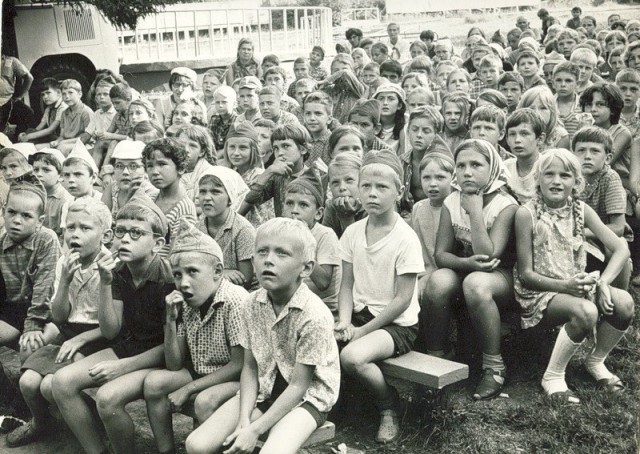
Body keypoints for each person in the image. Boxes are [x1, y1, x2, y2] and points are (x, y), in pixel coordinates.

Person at [185, 217, 340, 454]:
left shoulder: (315, 315)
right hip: (264, 389)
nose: (269, 260)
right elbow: (249, 368)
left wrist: (255, 430)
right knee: (196, 445)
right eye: (262, 252)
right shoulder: (251, 303)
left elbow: (299, 385)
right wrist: (245, 419)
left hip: (306, 398)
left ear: (306, 268)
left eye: (282, 254)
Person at [52, 195, 174, 453]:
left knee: (108, 398)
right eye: (120, 231)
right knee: (61, 382)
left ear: (158, 243)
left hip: (163, 358)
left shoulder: (169, 279)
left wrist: (123, 367)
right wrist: (106, 283)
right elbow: (110, 330)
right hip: (129, 348)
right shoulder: (119, 271)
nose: (125, 239)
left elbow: (173, 350)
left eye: (136, 233)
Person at [513, 149, 633, 402]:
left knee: (624, 303)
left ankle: (595, 361)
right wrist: (565, 286)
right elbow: (525, 275)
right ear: (538, 179)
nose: (557, 181)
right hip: (540, 291)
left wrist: (603, 282)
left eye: (565, 175)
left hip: (574, 287)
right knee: (586, 312)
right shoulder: (527, 213)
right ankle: (553, 376)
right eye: (549, 174)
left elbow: (621, 247)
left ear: (576, 181)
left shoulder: (580, 210)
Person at [5, 200, 112, 447]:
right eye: (70, 227)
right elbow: (60, 317)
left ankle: (94, 428)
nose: (75, 234)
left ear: (104, 235)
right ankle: (42, 424)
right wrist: (64, 281)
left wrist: (80, 338)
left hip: (101, 338)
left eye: (85, 228)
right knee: (28, 382)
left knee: (50, 385)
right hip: (68, 332)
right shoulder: (65, 262)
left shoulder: (110, 266)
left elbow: (115, 326)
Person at [336, 150, 423, 443]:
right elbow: (346, 285)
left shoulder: (405, 238)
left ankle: (389, 406)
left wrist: (360, 332)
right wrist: (345, 322)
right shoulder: (352, 232)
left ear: (399, 192)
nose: (372, 194)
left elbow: (401, 300)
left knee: (352, 357)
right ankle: (330, 406)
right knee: (318, 340)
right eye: (366, 186)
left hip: (396, 325)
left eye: (382, 187)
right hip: (360, 315)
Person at [423, 139, 518, 400]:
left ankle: (493, 366)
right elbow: (441, 255)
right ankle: (436, 356)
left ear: (493, 168)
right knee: (438, 282)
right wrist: (464, 263)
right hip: (468, 268)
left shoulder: (505, 205)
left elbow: (488, 255)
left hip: (502, 277)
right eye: (461, 165)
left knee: (475, 283)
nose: (467, 172)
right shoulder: (452, 200)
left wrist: (475, 212)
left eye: (476, 165)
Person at [143, 219, 248, 454]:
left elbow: (239, 365)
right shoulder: (188, 302)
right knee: (154, 383)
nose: (184, 282)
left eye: (192, 272)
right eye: (178, 275)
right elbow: (174, 363)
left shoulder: (234, 300)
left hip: (239, 379)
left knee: (204, 400)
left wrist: (189, 389)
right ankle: (166, 450)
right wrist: (170, 320)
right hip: (203, 371)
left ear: (217, 272)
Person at [0, 175, 60, 357]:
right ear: (4, 211)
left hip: (45, 312)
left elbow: (45, 286)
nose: (17, 220)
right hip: (13, 311)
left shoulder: (46, 240)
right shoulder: (2, 242)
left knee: (29, 348)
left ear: (39, 221)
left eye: (26, 216)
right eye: (12, 212)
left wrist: (33, 325)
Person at [283, 168, 341, 315]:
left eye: (303, 205)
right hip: (290, 302)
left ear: (318, 213)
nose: (294, 210)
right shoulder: (281, 232)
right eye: (289, 203)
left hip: (322, 308)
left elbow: (323, 283)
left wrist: (303, 241)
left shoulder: (325, 235)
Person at [196, 166, 255, 289]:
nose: (207, 197)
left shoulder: (243, 230)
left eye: (215, 192)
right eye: (203, 191)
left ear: (230, 198)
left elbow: (245, 279)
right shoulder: (196, 228)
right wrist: (222, 273)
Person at [240, 123, 313, 217]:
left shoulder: (315, 176)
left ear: (303, 149)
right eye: (276, 148)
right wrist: (268, 171)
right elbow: (248, 201)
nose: (280, 153)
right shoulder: (276, 176)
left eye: (286, 146)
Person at [142, 138, 197, 256]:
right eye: (150, 166)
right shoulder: (149, 198)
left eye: (162, 164)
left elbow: (176, 256)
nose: (155, 171)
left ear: (181, 168)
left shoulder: (184, 209)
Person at [411, 152, 454, 299]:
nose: (433, 183)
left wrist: (430, 276)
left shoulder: (456, 208)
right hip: (421, 271)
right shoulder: (418, 207)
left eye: (440, 177)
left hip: (445, 273)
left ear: (453, 179)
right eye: (426, 178)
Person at [400, 106, 451, 214]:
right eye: (414, 129)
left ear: (438, 134)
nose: (419, 135)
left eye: (426, 131)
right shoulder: (401, 162)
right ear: (408, 130)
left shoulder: (446, 165)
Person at [101, 140, 158, 218]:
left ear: (145, 169)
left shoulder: (151, 193)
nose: (125, 172)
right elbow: (101, 218)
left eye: (133, 166)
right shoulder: (113, 187)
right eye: (119, 166)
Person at [29, 148, 73, 241]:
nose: (39, 174)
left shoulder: (65, 200)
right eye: (36, 170)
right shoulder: (31, 195)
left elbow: (65, 236)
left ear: (60, 176)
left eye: (46, 170)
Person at [504, 109, 546, 204]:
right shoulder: (504, 168)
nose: (517, 140)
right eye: (512, 134)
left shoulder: (547, 167)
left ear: (540, 139)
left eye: (524, 134)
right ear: (506, 139)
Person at [323, 151, 365, 238]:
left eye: (349, 180)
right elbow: (327, 244)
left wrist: (347, 220)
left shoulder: (372, 209)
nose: (342, 187)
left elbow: (358, 249)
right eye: (335, 182)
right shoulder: (331, 208)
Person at [51, 79, 94, 155]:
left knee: (62, 148)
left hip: (85, 144)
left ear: (79, 94)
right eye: (64, 94)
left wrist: (63, 142)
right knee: (41, 148)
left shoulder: (86, 112)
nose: (67, 96)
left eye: (70, 93)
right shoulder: (64, 113)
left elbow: (87, 138)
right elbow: (62, 135)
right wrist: (57, 141)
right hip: (65, 143)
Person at [18, 78, 66, 145]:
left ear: (58, 93)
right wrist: (27, 134)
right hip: (52, 138)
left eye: (48, 93)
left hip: (62, 139)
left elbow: (50, 130)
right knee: (30, 131)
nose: (45, 97)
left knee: (31, 140)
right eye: (43, 94)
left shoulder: (63, 107)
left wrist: (28, 137)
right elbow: (39, 127)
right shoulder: (49, 109)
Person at [0, 52, 35, 140]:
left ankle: (18, 141)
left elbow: (29, 78)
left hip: (7, 100)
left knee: (27, 113)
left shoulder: (12, 61)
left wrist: (20, 96)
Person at [373, 84, 407, 154]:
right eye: (381, 99)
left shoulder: (406, 127)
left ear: (399, 105)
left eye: (391, 99)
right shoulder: (369, 124)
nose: (385, 103)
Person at [303, 91, 333, 166]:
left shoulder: (333, 142)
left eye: (318, 113)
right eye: (308, 113)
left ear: (329, 119)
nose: (312, 118)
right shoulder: (302, 141)